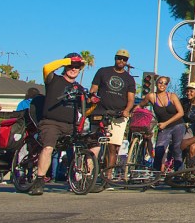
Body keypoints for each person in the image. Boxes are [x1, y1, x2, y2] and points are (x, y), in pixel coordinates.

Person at [29, 53, 86, 195]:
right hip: (51, 123)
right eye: (71, 66)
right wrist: (68, 60)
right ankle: (39, 180)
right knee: (48, 148)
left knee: (79, 147)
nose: (74, 69)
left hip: (70, 125)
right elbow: (47, 68)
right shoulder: (54, 80)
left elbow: (84, 109)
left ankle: (76, 178)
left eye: (77, 67)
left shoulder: (79, 88)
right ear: (65, 66)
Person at [89, 49, 137, 170]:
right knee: (94, 143)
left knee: (113, 147)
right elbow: (93, 89)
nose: (121, 61)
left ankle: (108, 175)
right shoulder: (103, 71)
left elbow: (131, 99)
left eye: (124, 59)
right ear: (115, 58)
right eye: (119, 58)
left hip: (118, 115)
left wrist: (127, 110)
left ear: (127, 62)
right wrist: (91, 99)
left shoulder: (129, 79)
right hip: (100, 111)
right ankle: (89, 173)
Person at [138, 75, 185, 171]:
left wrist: (166, 123)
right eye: (160, 82)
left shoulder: (172, 96)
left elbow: (181, 113)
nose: (162, 85)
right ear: (156, 83)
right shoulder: (151, 96)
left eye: (165, 83)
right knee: (159, 151)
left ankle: (178, 175)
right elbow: (140, 105)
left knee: (177, 150)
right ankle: (155, 176)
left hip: (177, 125)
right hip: (163, 128)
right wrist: (135, 113)